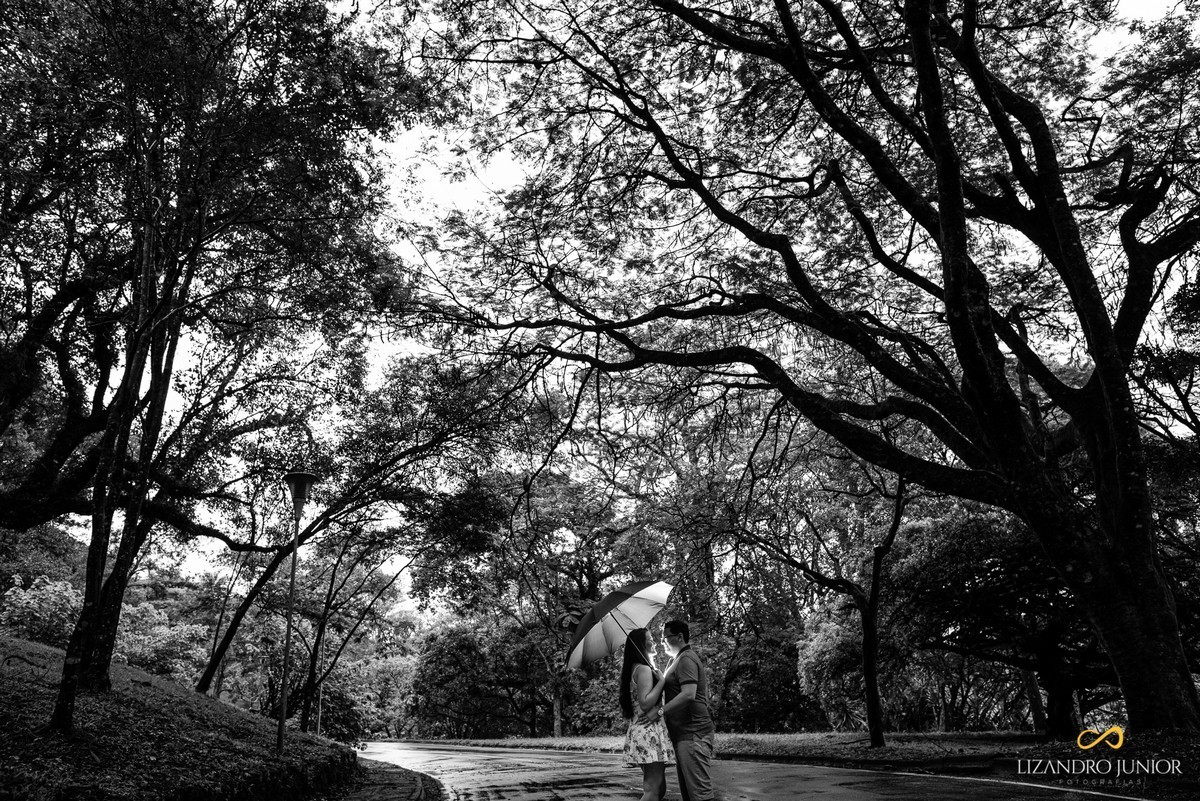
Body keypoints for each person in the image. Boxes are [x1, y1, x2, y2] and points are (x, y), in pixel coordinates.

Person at [658, 619, 716, 801]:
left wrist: (660, 711)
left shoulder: (686, 659)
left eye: (665, 637)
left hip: (693, 734)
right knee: (690, 795)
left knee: (700, 795)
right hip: (684, 735)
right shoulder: (678, 660)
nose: (663, 642)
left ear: (679, 636)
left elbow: (689, 694)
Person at [619, 628, 678, 801]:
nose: (653, 642)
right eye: (650, 639)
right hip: (648, 730)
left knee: (658, 789)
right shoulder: (643, 669)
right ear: (640, 644)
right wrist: (661, 681)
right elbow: (645, 703)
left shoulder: (636, 668)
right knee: (653, 789)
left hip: (645, 729)